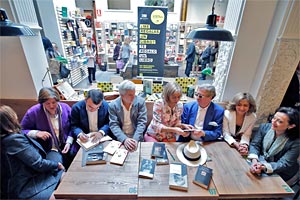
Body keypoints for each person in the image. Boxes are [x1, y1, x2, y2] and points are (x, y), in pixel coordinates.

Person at [1, 105, 64, 200]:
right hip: (25, 185)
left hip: (27, 173)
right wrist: (57, 165)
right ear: (10, 119)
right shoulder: (13, 140)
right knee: (62, 172)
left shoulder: (7, 137)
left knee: (55, 154)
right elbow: (38, 164)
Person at [21, 87, 75, 169]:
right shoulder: (33, 112)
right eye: (47, 103)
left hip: (67, 143)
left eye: (54, 102)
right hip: (50, 148)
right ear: (42, 103)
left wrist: (69, 142)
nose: (51, 106)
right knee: (55, 168)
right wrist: (36, 133)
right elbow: (21, 130)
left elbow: (73, 125)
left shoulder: (65, 108)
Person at [248, 107, 299, 183]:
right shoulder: (265, 127)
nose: (273, 122)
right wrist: (254, 161)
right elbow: (255, 145)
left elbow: (284, 163)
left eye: (280, 121)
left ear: (291, 126)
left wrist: (263, 167)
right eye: (274, 118)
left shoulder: (296, 142)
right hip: (260, 162)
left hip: (282, 172)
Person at [108, 80, 147, 152]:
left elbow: (142, 122)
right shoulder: (113, 105)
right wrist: (124, 139)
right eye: (130, 95)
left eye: (134, 94)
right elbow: (114, 125)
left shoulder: (140, 102)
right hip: (120, 139)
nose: (134, 97)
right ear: (122, 95)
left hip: (137, 137)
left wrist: (135, 139)